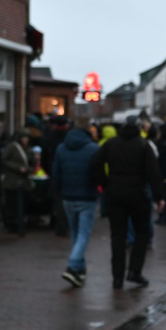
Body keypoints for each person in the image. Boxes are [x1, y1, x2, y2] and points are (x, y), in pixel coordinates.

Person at [91, 117, 165, 288]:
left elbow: (97, 162)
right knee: (141, 233)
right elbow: (153, 172)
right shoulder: (143, 145)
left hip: (115, 192)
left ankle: (117, 277)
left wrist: (104, 183)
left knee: (118, 235)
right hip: (138, 193)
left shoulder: (111, 144)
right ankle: (134, 271)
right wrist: (159, 196)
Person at [51, 117, 100, 287]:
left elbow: (56, 174)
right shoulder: (93, 149)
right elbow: (98, 174)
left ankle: (80, 270)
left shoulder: (61, 148)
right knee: (83, 234)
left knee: (75, 233)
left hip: (68, 196)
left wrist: (60, 191)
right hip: (87, 196)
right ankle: (72, 266)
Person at [1, 129, 35, 234]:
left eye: (27, 138)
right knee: (12, 203)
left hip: (24, 181)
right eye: (24, 138)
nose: (26, 140)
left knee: (23, 203)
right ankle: (12, 223)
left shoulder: (29, 150)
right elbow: (4, 160)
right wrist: (18, 168)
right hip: (12, 180)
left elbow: (32, 164)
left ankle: (20, 222)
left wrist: (28, 169)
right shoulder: (13, 147)